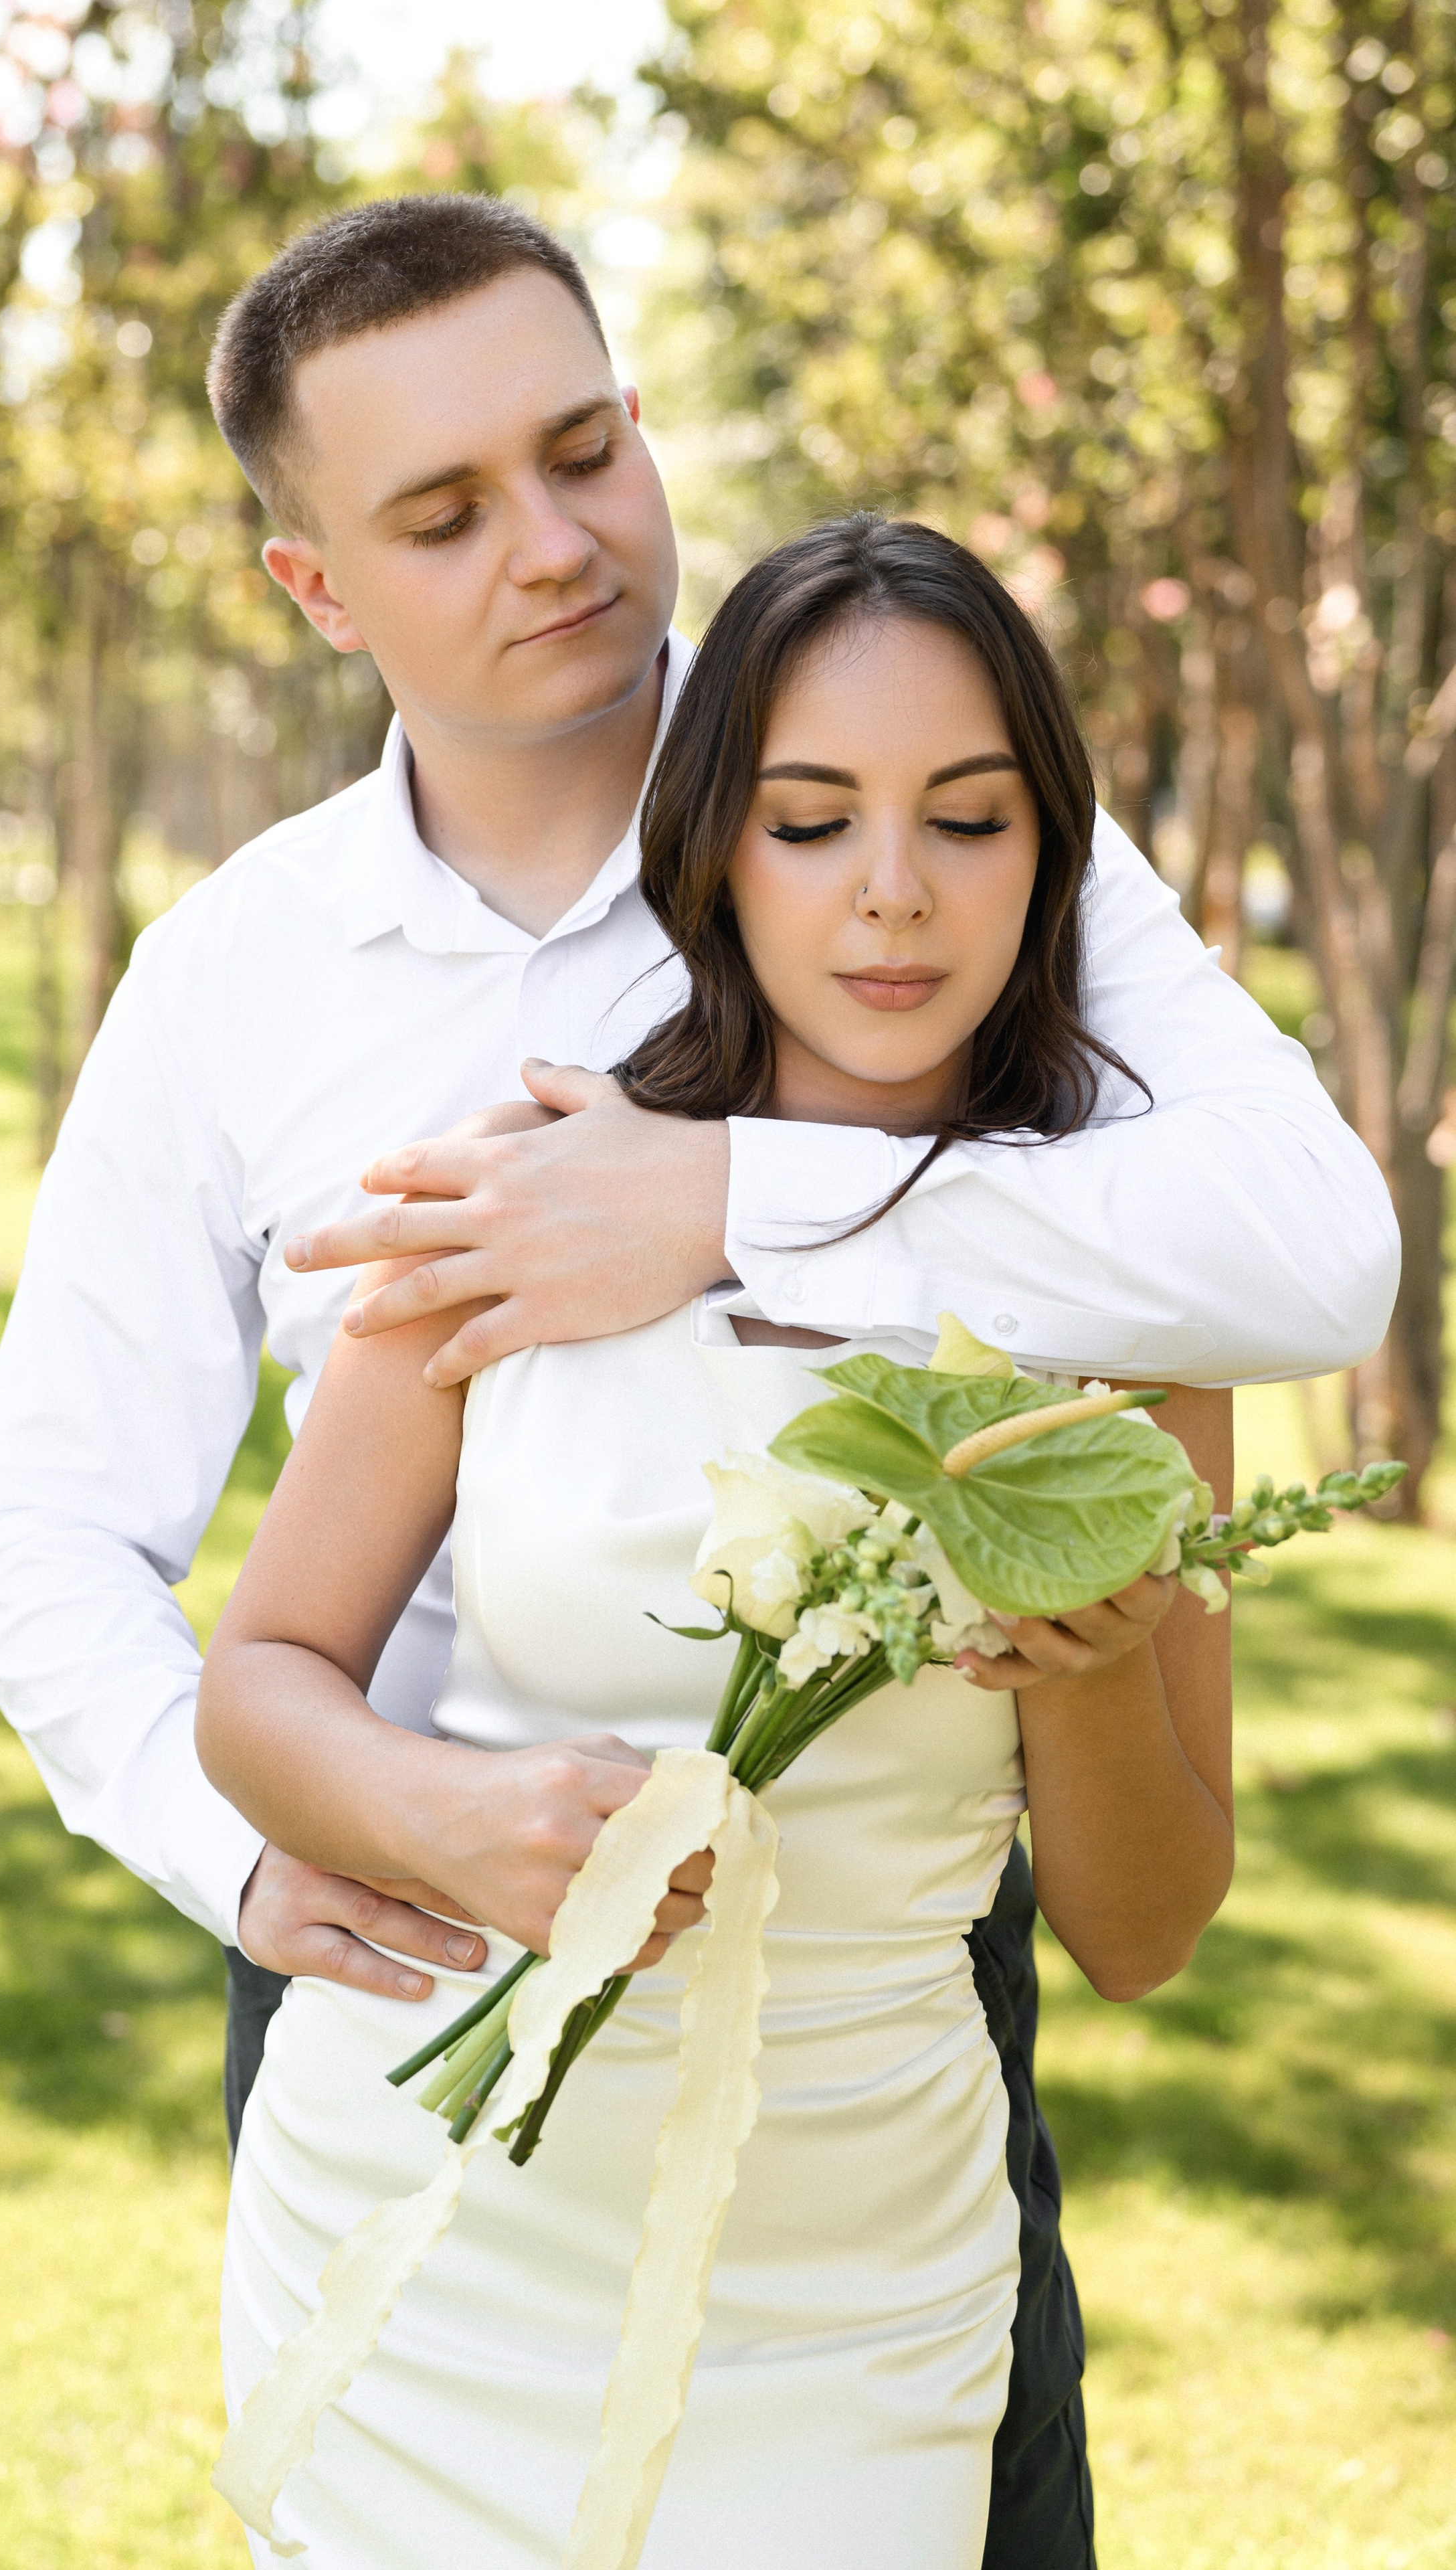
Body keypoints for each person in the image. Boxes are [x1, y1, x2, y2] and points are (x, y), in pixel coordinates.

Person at [0, 195, 1396, 2570]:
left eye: (584, 448)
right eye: (443, 513)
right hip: (413, 1968)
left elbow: (1308, 1249)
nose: (559, 543)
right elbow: (47, 1531)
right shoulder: (235, 977)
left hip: (881, 2034)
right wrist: (302, 1848)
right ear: (316, 586)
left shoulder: (910, 771)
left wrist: (727, 1199)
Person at [196, 515, 1237, 2569]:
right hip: (436, 2250)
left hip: (859, 2306)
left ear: (1053, 857)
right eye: (810, 820)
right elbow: (259, 1683)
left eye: (969, 819)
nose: (892, 890)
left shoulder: (1127, 1295)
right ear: (710, 851)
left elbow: (1143, 1936)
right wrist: (446, 1816)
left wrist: (1100, 1662)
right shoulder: (521, 1189)